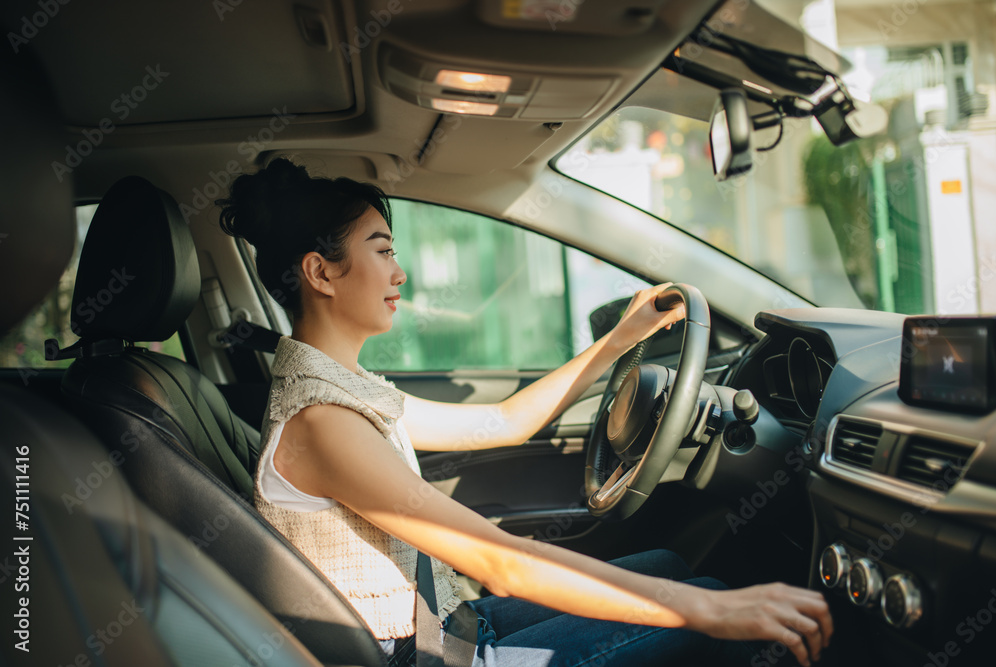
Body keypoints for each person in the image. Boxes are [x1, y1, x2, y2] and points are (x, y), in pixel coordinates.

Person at [216, 158, 832, 667]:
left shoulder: (341, 389)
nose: (399, 272)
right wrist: (714, 612)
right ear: (321, 272)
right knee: (724, 617)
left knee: (671, 567)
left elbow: (503, 422)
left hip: (439, 627)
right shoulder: (323, 420)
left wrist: (618, 340)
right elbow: (495, 560)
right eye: (381, 252)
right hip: (422, 656)